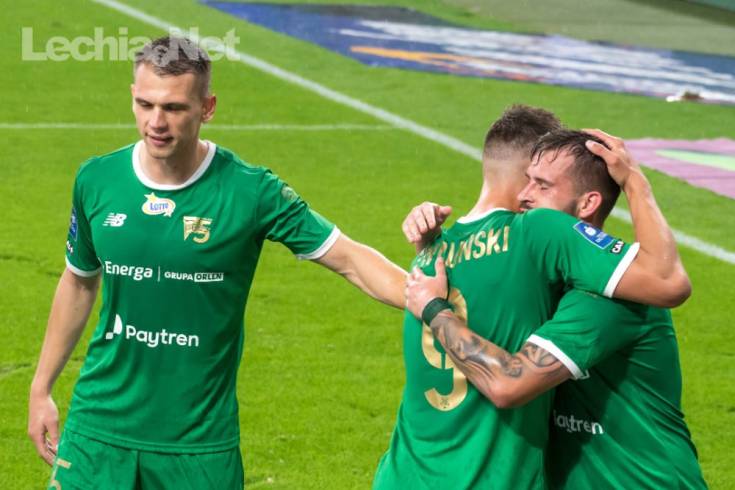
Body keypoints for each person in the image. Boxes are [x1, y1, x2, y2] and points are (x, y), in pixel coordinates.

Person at [27, 36, 406, 489]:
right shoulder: (97, 179)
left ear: (207, 108)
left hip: (199, 445)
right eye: (146, 104)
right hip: (97, 429)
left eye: (174, 108)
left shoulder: (252, 192)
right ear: (132, 96)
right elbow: (79, 281)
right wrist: (41, 388)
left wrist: (431, 299)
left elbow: (349, 259)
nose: (156, 122)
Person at [372, 106, 690, 489]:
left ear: (587, 203)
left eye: (541, 185)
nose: (523, 196)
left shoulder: (604, 299)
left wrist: (435, 309)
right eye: (526, 181)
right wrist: (434, 248)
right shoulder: (547, 273)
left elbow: (507, 384)